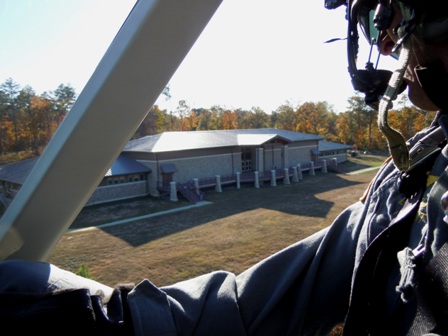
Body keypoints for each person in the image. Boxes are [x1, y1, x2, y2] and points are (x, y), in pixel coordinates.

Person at [1, 0, 448, 334]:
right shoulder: (409, 175)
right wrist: (106, 316)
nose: (386, 45)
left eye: (384, 17)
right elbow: (247, 308)